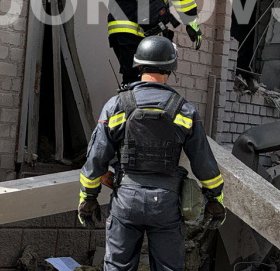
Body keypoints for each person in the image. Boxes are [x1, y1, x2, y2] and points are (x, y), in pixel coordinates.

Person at [77, 36, 226, 271]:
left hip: (126, 200)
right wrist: (215, 199)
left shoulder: (116, 105)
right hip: (166, 204)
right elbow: (204, 163)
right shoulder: (184, 110)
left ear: (139, 66)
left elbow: (96, 158)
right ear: (170, 69)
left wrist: (88, 197)